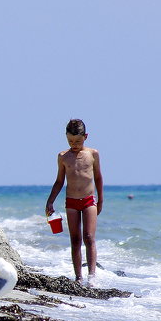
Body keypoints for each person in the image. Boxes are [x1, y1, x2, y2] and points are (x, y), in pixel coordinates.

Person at [45, 118, 103, 284]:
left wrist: (101, 200)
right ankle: (78, 277)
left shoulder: (93, 154)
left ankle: (92, 277)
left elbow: (98, 177)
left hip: (89, 201)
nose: (74, 144)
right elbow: (59, 182)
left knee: (89, 237)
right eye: (70, 141)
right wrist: (50, 202)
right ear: (66, 137)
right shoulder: (63, 156)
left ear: (86, 136)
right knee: (75, 239)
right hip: (71, 202)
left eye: (78, 141)